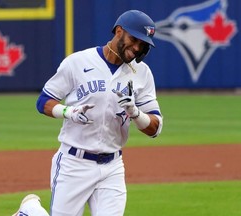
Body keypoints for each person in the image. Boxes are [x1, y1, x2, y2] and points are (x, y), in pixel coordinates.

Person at [36, 9, 163, 216]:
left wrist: (136, 112)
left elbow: (155, 128)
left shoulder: (142, 73)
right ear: (119, 31)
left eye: (143, 45)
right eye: (134, 39)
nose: (137, 48)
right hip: (73, 164)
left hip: (112, 167)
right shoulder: (78, 62)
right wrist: (68, 111)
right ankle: (31, 211)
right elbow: (43, 101)